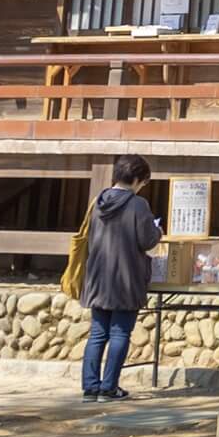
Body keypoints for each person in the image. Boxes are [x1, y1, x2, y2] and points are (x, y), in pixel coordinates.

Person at [78, 153, 162, 402]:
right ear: (137, 179)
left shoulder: (98, 201)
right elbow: (147, 241)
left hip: (97, 277)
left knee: (97, 334)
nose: (142, 186)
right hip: (125, 278)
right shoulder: (138, 205)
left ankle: (90, 387)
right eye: (143, 182)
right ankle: (108, 387)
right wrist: (157, 231)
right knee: (119, 334)